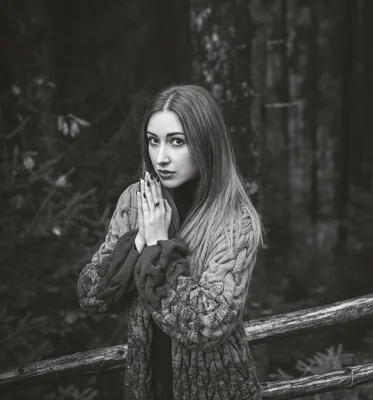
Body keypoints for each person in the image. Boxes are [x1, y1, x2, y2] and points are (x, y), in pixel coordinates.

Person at [77, 84, 264, 400]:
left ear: (206, 143)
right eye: (153, 141)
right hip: (147, 387)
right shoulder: (137, 202)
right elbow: (92, 296)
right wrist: (138, 241)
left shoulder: (234, 219)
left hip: (216, 390)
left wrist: (159, 247)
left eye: (177, 142)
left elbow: (208, 326)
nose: (161, 157)